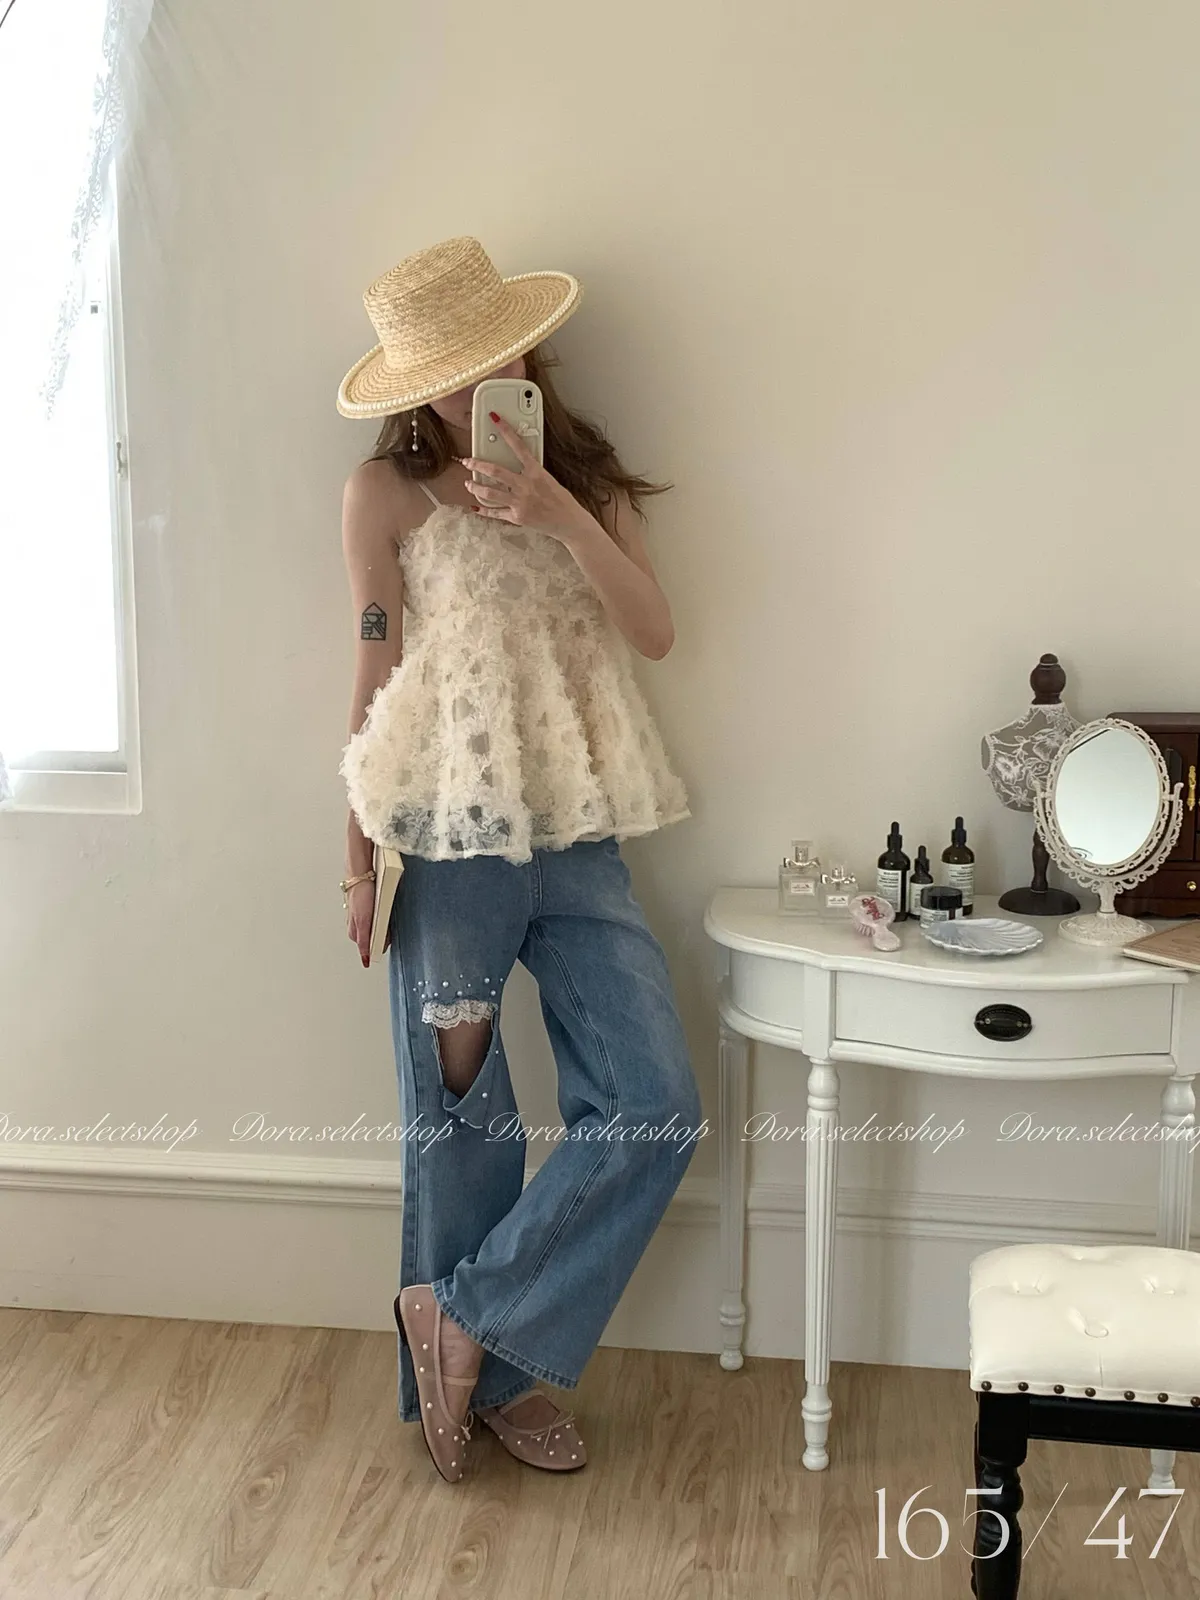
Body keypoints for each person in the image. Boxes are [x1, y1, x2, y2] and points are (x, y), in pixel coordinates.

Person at [335, 235, 704, 1484]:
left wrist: (555, 508)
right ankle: (492, 1382)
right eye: (437, 373)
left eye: (480, 357)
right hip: (445, 835)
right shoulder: (383, 494)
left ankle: (466, 1320)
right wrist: (354, 857)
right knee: (463, 1121)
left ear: (520, 343)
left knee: (656, 1102)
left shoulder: (579, 474)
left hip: (580, 830)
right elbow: (373, 670)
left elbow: (654, 630)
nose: (463, 388)